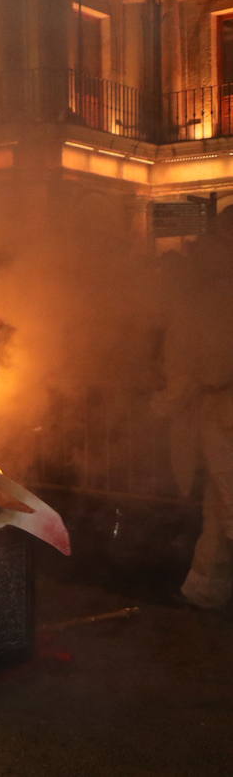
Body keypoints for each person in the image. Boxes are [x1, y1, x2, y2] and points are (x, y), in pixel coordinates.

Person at [163, 207, 233, 610]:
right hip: (218, 407)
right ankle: (206, 589)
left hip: (223, 411)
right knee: (218, 503)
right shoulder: (208, 296)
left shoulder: (207, 300)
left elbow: (188, 367)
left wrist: (163, 406)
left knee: (228, 501)